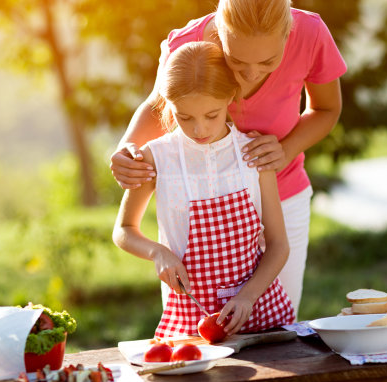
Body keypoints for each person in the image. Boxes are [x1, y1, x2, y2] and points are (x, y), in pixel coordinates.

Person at [111, 0, 347, 316]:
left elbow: (326, 110)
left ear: (288, 33)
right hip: (206, 202)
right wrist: (127, 149)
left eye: (268, 61)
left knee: (277, 323)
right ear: (219, 31)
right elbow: (159, 107)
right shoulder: (188, 45)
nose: (250, 75)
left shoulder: (311, 33)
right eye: (235, 60)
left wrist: (284, 151)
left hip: (284, 191)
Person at [113, 41, 295, 338]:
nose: (199, 129)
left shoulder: (254, 153)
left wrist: (247, 297)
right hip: (192, 322)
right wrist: (158, 252)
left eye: (211, 115)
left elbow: (278, 245)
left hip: (260, 315)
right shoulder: (156, 157)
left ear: (230, 97)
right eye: (184, 117)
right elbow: (124, 229)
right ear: (168, 105)